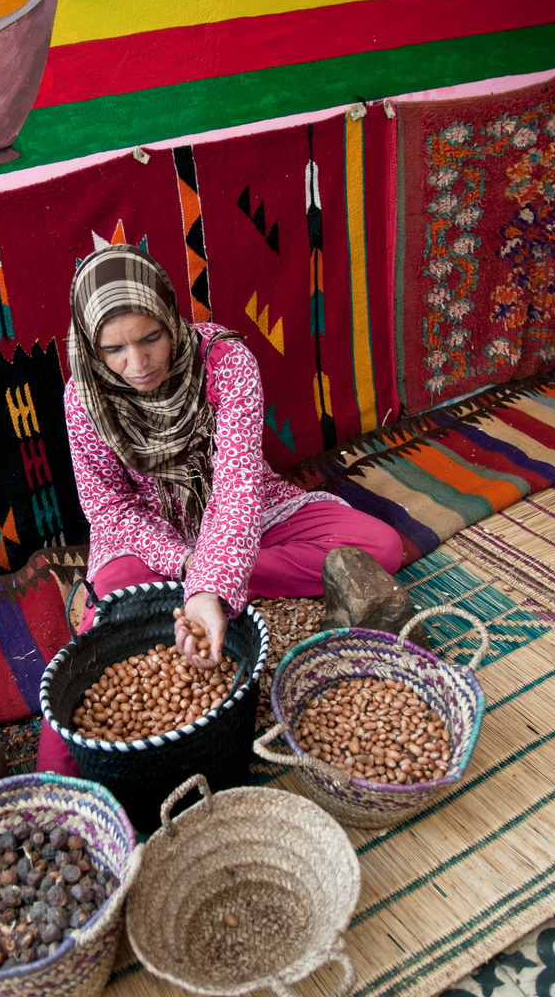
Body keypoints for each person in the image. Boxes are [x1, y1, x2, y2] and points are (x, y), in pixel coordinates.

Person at [35, 244, 403, 775]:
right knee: (106, 625)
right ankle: (56, 782)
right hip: (150, 535)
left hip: (241, 513)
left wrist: (212, 577)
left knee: (381, 546)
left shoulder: (225, 363)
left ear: (171, 317)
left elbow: (236, 484)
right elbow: (108, 508)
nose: (136, 364)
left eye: (151, 338)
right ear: (91, 348)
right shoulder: (83, 397)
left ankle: (200, 592)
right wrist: (190, 567)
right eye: (113, 349)